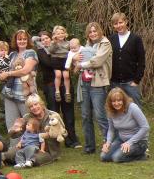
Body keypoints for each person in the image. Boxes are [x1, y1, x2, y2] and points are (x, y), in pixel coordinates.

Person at [34, 31, 81, 149]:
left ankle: (71, 139)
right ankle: (54, 142)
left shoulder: (62, 47)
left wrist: (70, 57)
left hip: (65, 85)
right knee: (53, 114)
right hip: (51, 86)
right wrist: (69, 58)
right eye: (42, 39)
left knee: (68, 112)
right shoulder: (41, 52)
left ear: (52, 38)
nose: (45, 40)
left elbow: (72, 57)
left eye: (47, 38)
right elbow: (50, 63)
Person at [74, 22, 112, 155]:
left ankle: (109, 145)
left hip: (98, 84)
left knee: (100, 116)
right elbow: (75, 62)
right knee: (85, 116)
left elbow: (97, 61)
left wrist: (80, 64)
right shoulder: (86, 46)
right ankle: (90, 147)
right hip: (84, 84)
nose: (93, 34)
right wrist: (75, 60)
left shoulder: (105, 44)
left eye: (95, 31)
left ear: (100, 31)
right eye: (90, 32)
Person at [4, 94, 66, 166]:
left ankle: (22, 161)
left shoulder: (53, 115)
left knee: (36, 159)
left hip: (46, 151)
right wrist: (14, 130)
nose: (34, 107)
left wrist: (51, 134)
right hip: (27, 147)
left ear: (41, 104)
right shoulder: (27, 117)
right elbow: (13, 136)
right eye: (31, 106)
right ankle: (16, 160)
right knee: (9, 153)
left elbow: (64, 133)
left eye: (36, 104)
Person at [0, 30, 39, 131]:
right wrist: (0, 74)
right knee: (12, 125)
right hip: (10, 94)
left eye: (24, 39)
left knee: (30, 123)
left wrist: (8, 73)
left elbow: (26, 70)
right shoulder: (12, 54)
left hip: (26, 94)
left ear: (28, 40)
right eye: (19, 39)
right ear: (15, 41)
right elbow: (2, 69)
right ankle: (14, 146)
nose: (22, 41)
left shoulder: (31, 53)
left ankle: (33, 145)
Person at [100, 88, 149, 163]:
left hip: (139, 142)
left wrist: (130, 142)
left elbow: (145, 127)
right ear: (110, 102)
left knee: (116, 158)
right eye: (114, 101)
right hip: (122, 139)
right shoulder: (111, 111)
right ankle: (124, 152)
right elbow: (111, 129)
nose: (116, 103)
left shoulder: (132, 107)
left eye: (119, 100)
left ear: (124, 100)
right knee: (104, 156)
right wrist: (108, 142)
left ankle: (142, 155)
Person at [109, 12, 146, 108]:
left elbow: (141, 61)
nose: (118, 26)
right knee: (117, 111)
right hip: (115, 83)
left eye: (120, 22)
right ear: (113, 25)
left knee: (135, 109)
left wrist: (136, 80)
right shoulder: (111, 39)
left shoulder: (135, 39)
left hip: (130, 82)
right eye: (115, 24)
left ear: (126, 22)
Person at [49, 26, 71, 103]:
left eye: (62, 33)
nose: (60, 35)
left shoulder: (68, 43)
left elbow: (72, 51)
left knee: (66, 76)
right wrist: (54, 42)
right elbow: (50, 51)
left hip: (65, 60)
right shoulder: (53, 43)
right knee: (58, 75)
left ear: (65, 34)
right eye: (58, 34)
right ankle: (57, 91)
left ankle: (67, 92)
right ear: (55, 35)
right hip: (56, 59)